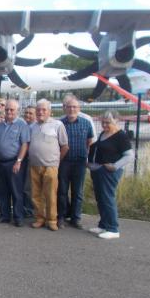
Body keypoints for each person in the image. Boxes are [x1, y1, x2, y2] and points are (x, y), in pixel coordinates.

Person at [88, 111, 134, 239]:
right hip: (99, 170)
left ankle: (113, 228)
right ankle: (103, 224)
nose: (104, 125)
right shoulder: (104, 133)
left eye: (108, 122)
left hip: (109, 172)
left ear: (116, 121)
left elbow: (129, 155)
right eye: (103, 122)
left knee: (107, 198)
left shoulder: (121, 136)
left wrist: (115, 166)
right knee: (100, 198)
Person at [28, 99, 69, 231]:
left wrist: (56, 161)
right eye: (38, 110)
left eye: (43, 110)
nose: (40, 112)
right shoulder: (32, 126)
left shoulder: (58, 125)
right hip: (34, 165)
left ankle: (52, 220)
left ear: (49, 111)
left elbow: (65, 147)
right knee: (36, 194)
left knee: (50, 194)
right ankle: (40, 218)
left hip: (50, 166)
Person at [58, 95, 94, 229]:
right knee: (61, 191)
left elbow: (89, 141)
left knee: (77, 191)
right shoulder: (60, 124)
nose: (72, 109)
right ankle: (61, 216)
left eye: (74, 107)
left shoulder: (86, 123)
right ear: (65, 109)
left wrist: (86, 157)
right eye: (69, 107)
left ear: (79, 108)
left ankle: (76, 218)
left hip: (79, 162)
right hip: (64, 162)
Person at [0, 99, 30, 227]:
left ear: (17, 111)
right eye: (7, 109)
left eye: (12, 109)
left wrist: (19, 161)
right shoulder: (0, 126)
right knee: (2, 191)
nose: (9, 111)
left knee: (16, 191)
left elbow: (25, 144)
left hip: (14, 163)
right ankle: (5, 216)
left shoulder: (22, 125)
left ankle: (18, 217)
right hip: (0, 163)